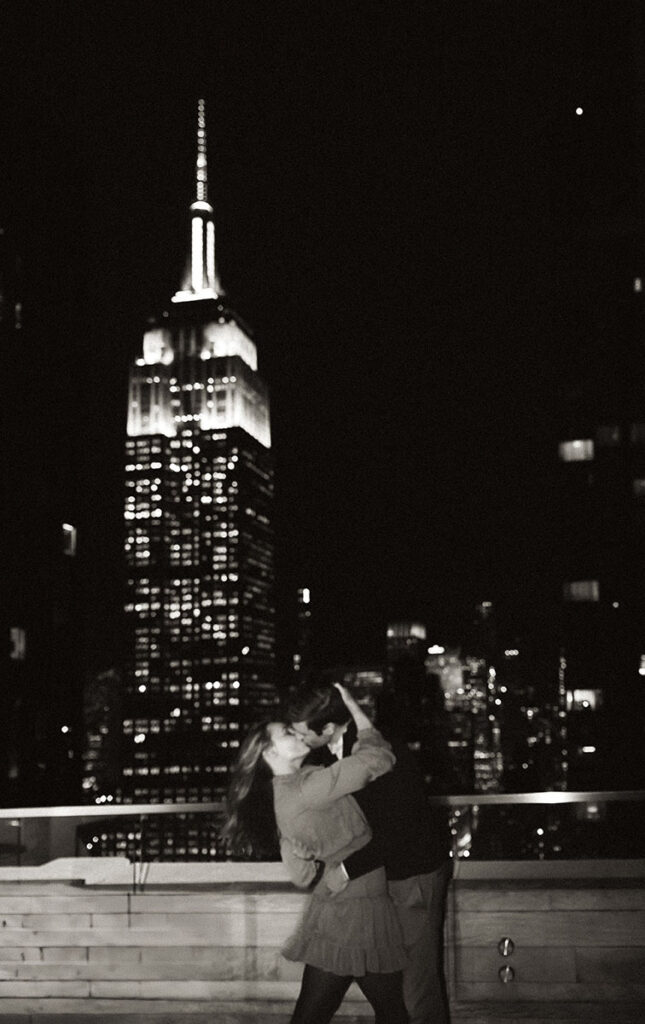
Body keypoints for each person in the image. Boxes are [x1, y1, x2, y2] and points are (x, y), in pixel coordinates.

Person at [222, 683, 410, 1024]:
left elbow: (301, 875)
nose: (299, 736)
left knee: (377, 1012)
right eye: (288, 734)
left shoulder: (289, 791)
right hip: (355, 908)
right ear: (270, 753)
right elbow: (379, 759)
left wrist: (315, 850)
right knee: (361, 1012)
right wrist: (354, 710)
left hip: (348, 903)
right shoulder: (308, 789)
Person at [287, 682, 452, 1024]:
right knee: (390, 990)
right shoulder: (323, 752)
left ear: (329, 728)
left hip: (411, 875)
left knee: (415, 990)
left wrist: (344, 870)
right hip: (374, 880)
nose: (299, 739)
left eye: (304, 733)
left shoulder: (380, 749)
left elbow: (398, 832)